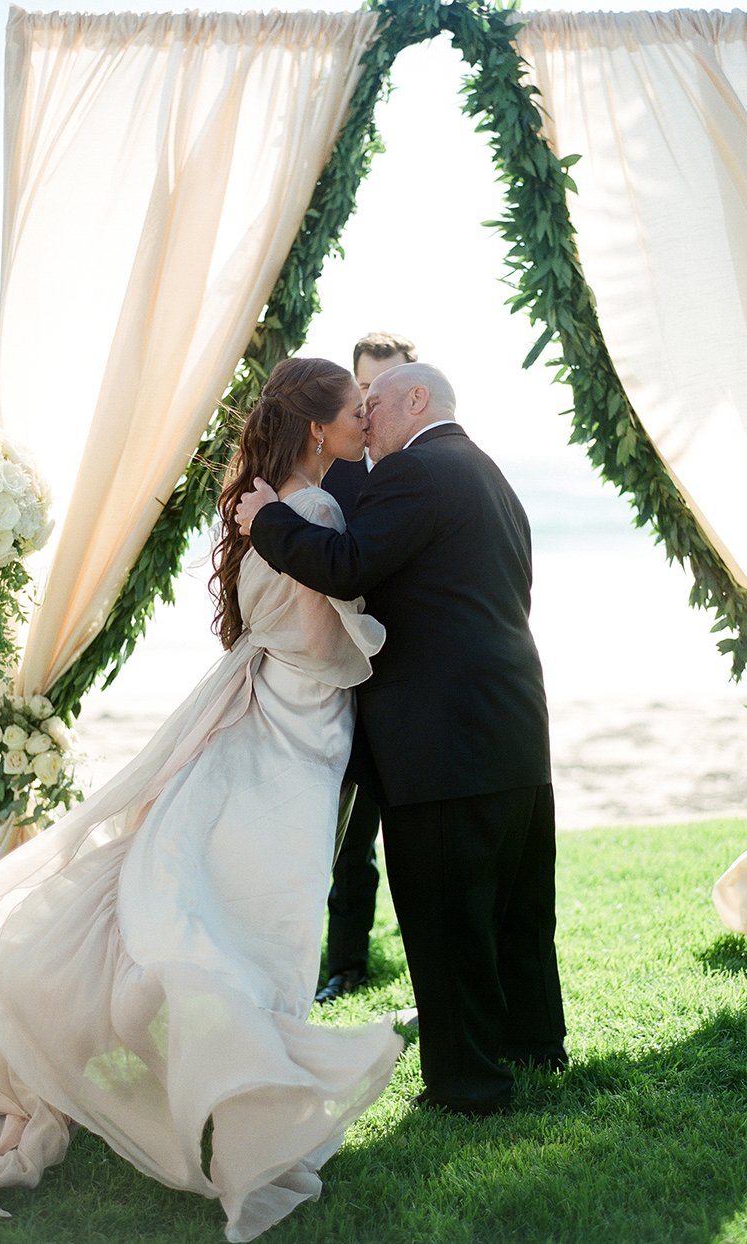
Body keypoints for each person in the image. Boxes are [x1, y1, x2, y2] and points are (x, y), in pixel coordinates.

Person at [0, 357, 402, 1242]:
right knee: (276, 907)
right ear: (319, 430)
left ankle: (215, 1073)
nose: (365, 424)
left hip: (245, 715)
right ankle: (250, 1100)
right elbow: (323, 647)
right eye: (353, 413)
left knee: (201, 892)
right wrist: (379, 629)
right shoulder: (320, 510)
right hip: (292, 734)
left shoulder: (268, 501)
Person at [236, 362, 567, 1116]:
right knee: (518, 907)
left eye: (374, 401)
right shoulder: (487, 473)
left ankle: (468, 1085)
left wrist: (269, 522)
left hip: (445, 738)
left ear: (417, 400)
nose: (365, 414)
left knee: (446, 917)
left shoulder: (417, 471)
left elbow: (347, 565)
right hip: (512, 721)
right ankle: (533, 1042)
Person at [316, 331, 417, 1004]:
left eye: (382, 390)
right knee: (349, 835)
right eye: (362, 391)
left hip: (414, 678)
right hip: (349, 680)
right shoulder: (338, 471)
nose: (370, 405)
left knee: (417, 829)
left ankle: (425, 958)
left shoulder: (435, 466)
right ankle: (345, 962)